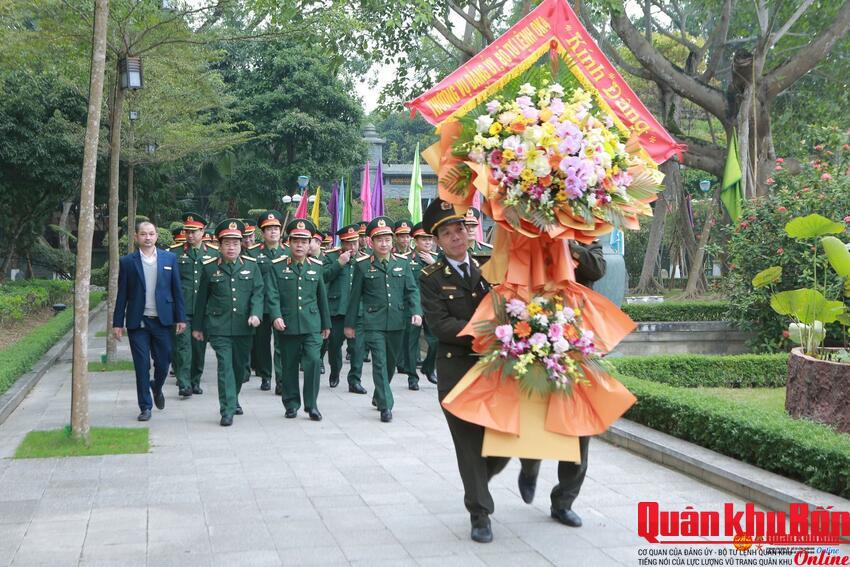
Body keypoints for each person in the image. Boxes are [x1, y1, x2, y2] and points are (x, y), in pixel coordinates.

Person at [419, 199, 508, 543]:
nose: (456, 236)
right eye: (447, 232)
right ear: (437, 240)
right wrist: (486, 331)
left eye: (460, 228)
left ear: (470, 232)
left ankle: (478, 482)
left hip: (494, 370)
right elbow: (440, 325)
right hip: (457, 372)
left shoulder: (489, 269)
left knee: (505, 440)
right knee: (469, 445)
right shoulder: (430, 278)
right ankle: (480, 513)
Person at [515, 239, 605, 528]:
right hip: (536, 333)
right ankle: (529, 467)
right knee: (536, 416)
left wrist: (570, 245)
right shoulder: (532, 234)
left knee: (580, 428)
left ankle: (564, 501)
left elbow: (597, 268)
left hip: (577, 338)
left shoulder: (587, 236)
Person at [344, 216, 422, 423]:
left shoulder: (403, 263)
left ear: (392, 240)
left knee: (390, 363)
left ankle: (379, 394)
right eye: (379, 240)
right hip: (373, 322)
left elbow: (411, 290)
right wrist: (350, 324)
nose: (384, 243)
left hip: (397, 320)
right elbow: (354, 297)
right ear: (371, 242)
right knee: (379, 362)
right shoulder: (362, 266)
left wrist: (416, 311)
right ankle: (386, 405)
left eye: (387, 239)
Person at [192, 219, 269, 426]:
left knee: (239, 368)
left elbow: (258, 293)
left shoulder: (251, 266)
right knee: (225, 366)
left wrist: (256, 314)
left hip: (244, 326)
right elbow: (201, 299)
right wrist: (198, 327)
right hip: (219, 326)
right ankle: (226, 409)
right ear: (220, 245)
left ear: (241, 245)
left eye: (235, 243)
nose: (231, 248)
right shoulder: (209, 268)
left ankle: (233, 398)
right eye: (227, 244)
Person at [112, 220, 187, 422]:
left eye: (151, 234)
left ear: (156, 236)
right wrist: (117, 323)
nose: (148, 237)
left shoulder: (169, 258)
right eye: (144, 234)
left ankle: (157, 386)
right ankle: (145, 406)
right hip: (138, 322)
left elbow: (177, 290)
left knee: (164, 361)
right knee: (141, 365)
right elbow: (122, 294)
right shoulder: (127, 262)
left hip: (163, 320)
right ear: (136, 237)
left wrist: (181, 317)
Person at [266, 218, 331, 421]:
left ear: (310, 243)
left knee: (313, 361)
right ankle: (291, 403)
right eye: (296, 241)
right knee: (289, 365)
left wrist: (326, 324)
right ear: (289, 242)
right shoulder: (277, 266)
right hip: (288, 324)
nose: (300, 245)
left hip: (312, 324)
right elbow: (272, 294)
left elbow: (321, 297)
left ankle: (312, 405)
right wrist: (276, 316)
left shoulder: (316, 266)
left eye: (304, 241)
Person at [171, 212, 218, 398]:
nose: (190, 235)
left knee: (199, 348)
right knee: (183, 347)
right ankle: (184, 383)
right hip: (183, 308)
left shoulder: (213, 253)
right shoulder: (175, 252)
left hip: (204, 309)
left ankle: (195, 380)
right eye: (187, 231)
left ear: (203, 231)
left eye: (194, 231)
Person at [322, 224, 368, 393]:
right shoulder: (331, 257)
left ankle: (354, 380)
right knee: (334, 347)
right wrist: (338, 264)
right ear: (341, 243)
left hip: (357, 311)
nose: (352, 246)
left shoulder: (365, 259)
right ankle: (335, 372)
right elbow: (323, 277)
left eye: (354, 242)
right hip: (337, 310)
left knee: (357, 348)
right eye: (348, 243)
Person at [252, 210, 288, 393]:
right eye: (269, 229)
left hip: (283, 306)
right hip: (263, 306)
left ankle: (281, 380)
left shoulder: (289, 251)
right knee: (262, 344)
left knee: (281, 344)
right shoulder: (253, 253)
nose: (273, 232)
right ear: (263, 232)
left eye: (276, 228)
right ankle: (265, 375)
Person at [402, 223, 439, 386]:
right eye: (424, 239)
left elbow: (444, 281)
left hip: (432, 307)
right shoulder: (406, 259)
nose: (428, 242)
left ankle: (429, 368)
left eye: (430, 239)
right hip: (412, 307)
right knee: (411, 343)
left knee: (436, 340)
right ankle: (412, 377)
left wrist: (433, 264)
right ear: (415, 241)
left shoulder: (438, 258)